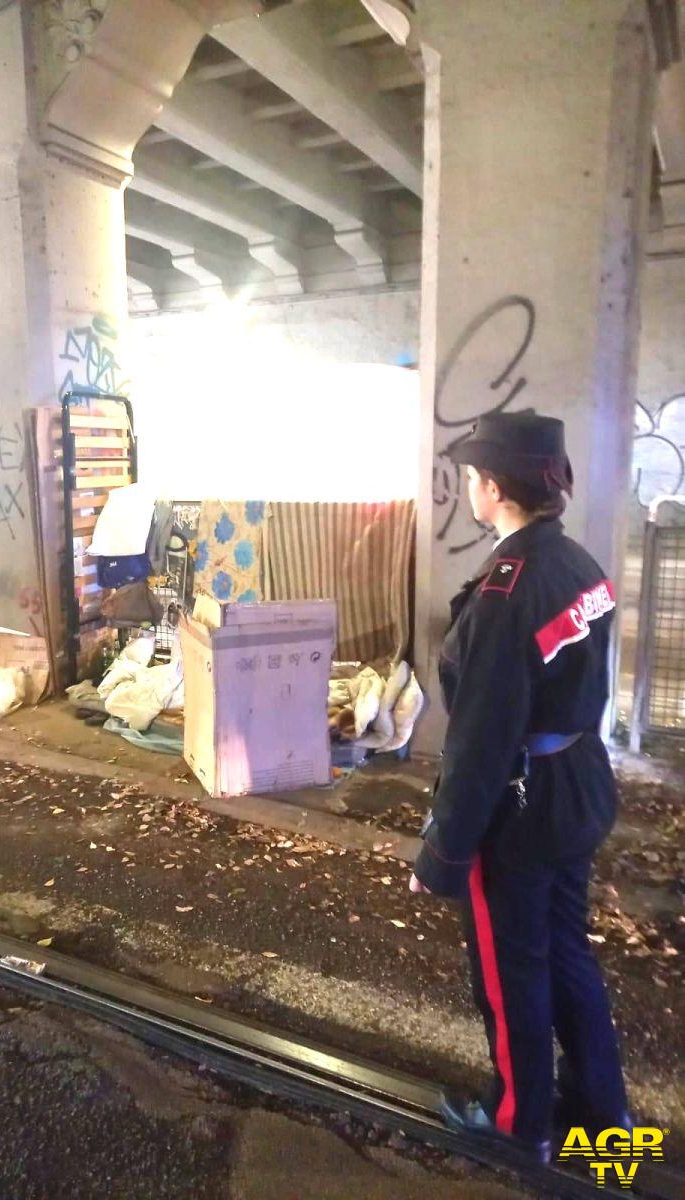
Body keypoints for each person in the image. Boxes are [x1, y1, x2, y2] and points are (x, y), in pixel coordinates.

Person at [410, 409, 630, 1164]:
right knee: (567, 954)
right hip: (577, 786)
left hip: (524, 808)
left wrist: (443, 852)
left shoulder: (509, 592)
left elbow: (480, 742)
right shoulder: (579, 566)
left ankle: (518, 1125)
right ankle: (604, 1119)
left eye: (472, 476)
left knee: (513, 973)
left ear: (494, 488)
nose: (468, 486)